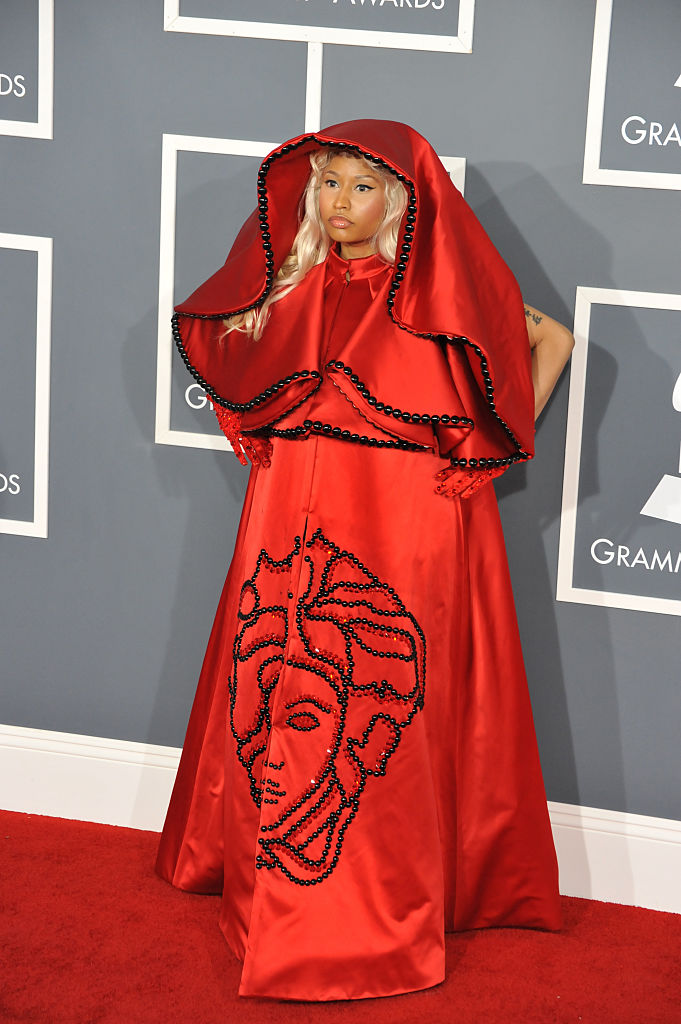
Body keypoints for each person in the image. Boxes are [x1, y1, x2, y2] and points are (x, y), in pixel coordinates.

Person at [156, 119, 575, 1001]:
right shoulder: (293, 283)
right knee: (272, 681)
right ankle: (263, 873)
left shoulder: (440, 284)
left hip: (401, 512)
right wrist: (259, 434)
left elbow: (554, 341)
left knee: (367, 704)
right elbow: (235, 350)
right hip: (289, 514)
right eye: (328, 185)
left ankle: (372, 904)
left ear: (402, 200)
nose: (340, 202)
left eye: (361, 186)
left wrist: (481, 457)